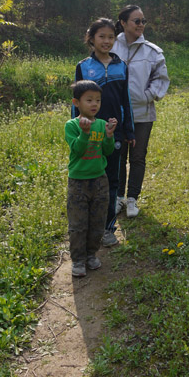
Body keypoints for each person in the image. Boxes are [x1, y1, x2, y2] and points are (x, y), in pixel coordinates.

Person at [73, 18, 135, 247]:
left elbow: (125, 101)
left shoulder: (122, 66)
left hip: (113, 133)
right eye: (102, 36)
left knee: (112, 180)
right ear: (91, 38)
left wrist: (128, 130)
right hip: (90, 132)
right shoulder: (83, 66)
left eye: (111, 37)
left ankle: (108, 228)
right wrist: (76, 129)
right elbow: (77, 102)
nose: (107, 41)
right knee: (89, 179)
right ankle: (87, 225)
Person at [113, 5, 170, 217]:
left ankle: (132, 199)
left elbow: (160, 79)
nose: (141, 25)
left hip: (142, 114)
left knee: (137, 157)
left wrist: (147, 96)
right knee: (118, 155)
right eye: (136, 21)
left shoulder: (152, 51)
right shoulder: (111, 46)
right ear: (123, 23)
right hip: (115, 113)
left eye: (143, 21)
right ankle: (118, 198)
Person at [65, 80, 118, 277]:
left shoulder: (102, 124)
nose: (94, 104)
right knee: (78, 223)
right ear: (76, 102)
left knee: (97, 220)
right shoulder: (71, 126)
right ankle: (78, 259)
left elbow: (107, 151)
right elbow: (77, 151)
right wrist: (85, 134)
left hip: (99, 179)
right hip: (78, 181)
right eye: (89, 100)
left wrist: (110, 136)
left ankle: (91, 255)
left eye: (98, 100)